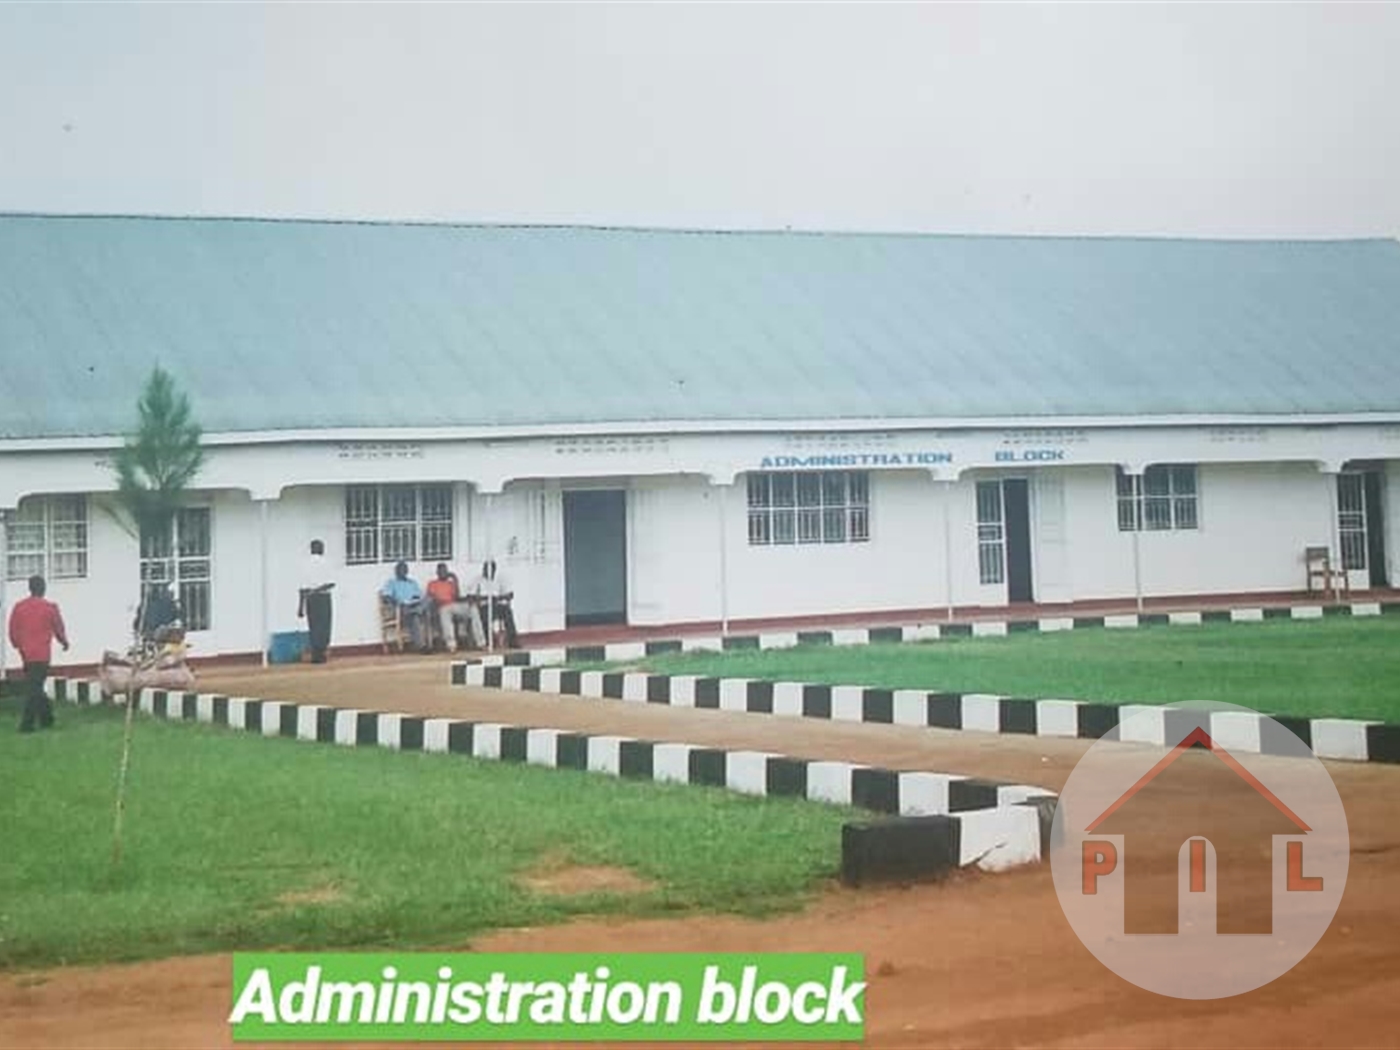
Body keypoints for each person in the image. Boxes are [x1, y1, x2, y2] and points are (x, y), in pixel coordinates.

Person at [7, 575, 69, 733]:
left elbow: (13, 630)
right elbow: (58, 628)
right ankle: (27, 725)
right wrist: (64, 642)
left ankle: (46, 719)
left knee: (35, 686)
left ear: (30, 588)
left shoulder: (19, 607)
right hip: (42, 655)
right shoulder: (50, 608)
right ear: (43, 588)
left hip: (26, 654)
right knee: (35, 688)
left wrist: (18, 645)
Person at [426, 562, 482, 652]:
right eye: (441, 571)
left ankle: (480, 642)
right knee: (445, 611)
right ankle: (451, 645)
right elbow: (432, 597)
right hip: (442, 607)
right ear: (437, 572)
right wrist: (441, 601)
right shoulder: (432, 583)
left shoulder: (450, 584)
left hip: (454, 605)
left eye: (445, 571)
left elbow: (457, 597)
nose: (444, 573)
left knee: (473, 609)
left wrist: (455, 579)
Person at [466, 558, 519, 649]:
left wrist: (498, 598)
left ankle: (513, 640)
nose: (486, 572)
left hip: (496, 605)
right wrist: (486, 598)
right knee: (483, 615)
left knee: (507, 611)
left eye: (490, 569)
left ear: (494, 570)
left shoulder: (500, 579)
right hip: (483, 605)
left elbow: (509, 595)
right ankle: (488, 640)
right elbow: (470, 596)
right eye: (485, 569)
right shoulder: (478, 580)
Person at [297, 539, 336, 663]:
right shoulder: (326, 562)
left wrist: (300, 607)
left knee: (313, 625)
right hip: (323, 597)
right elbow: (330, 583)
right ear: (321, 549)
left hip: (310, 598)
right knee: (324, 626)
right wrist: (317, 589)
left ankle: (316, 654)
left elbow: (302, 588)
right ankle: (321, 653)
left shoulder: (304, 564)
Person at [380, 561, 431, 653]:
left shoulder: (412, 582)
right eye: (400, 570)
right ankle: (421, 646)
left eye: (404, 569)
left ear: (407, 571)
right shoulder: (392, 583)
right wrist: (396, 602)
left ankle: (416, 611)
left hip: (414, 605)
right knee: (414, 617)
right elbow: (386, 597)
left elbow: (419, 595)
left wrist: (416, 600)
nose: (402, 572)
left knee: (428, 599)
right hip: (402, 609)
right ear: (396, 571)